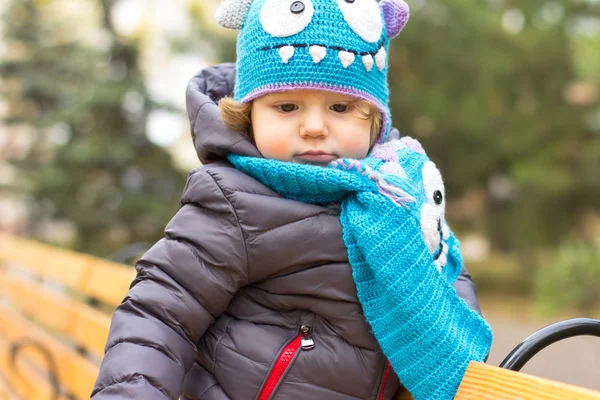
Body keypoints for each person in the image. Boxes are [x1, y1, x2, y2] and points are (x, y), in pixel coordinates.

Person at [92, 1, 492, 399]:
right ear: (249, 115)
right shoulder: (235, 200)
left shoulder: (399, 192)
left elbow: (445, 277)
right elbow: (161, 310)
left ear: (374, 117)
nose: (315, 127)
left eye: (340, 107)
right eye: (287, 106)